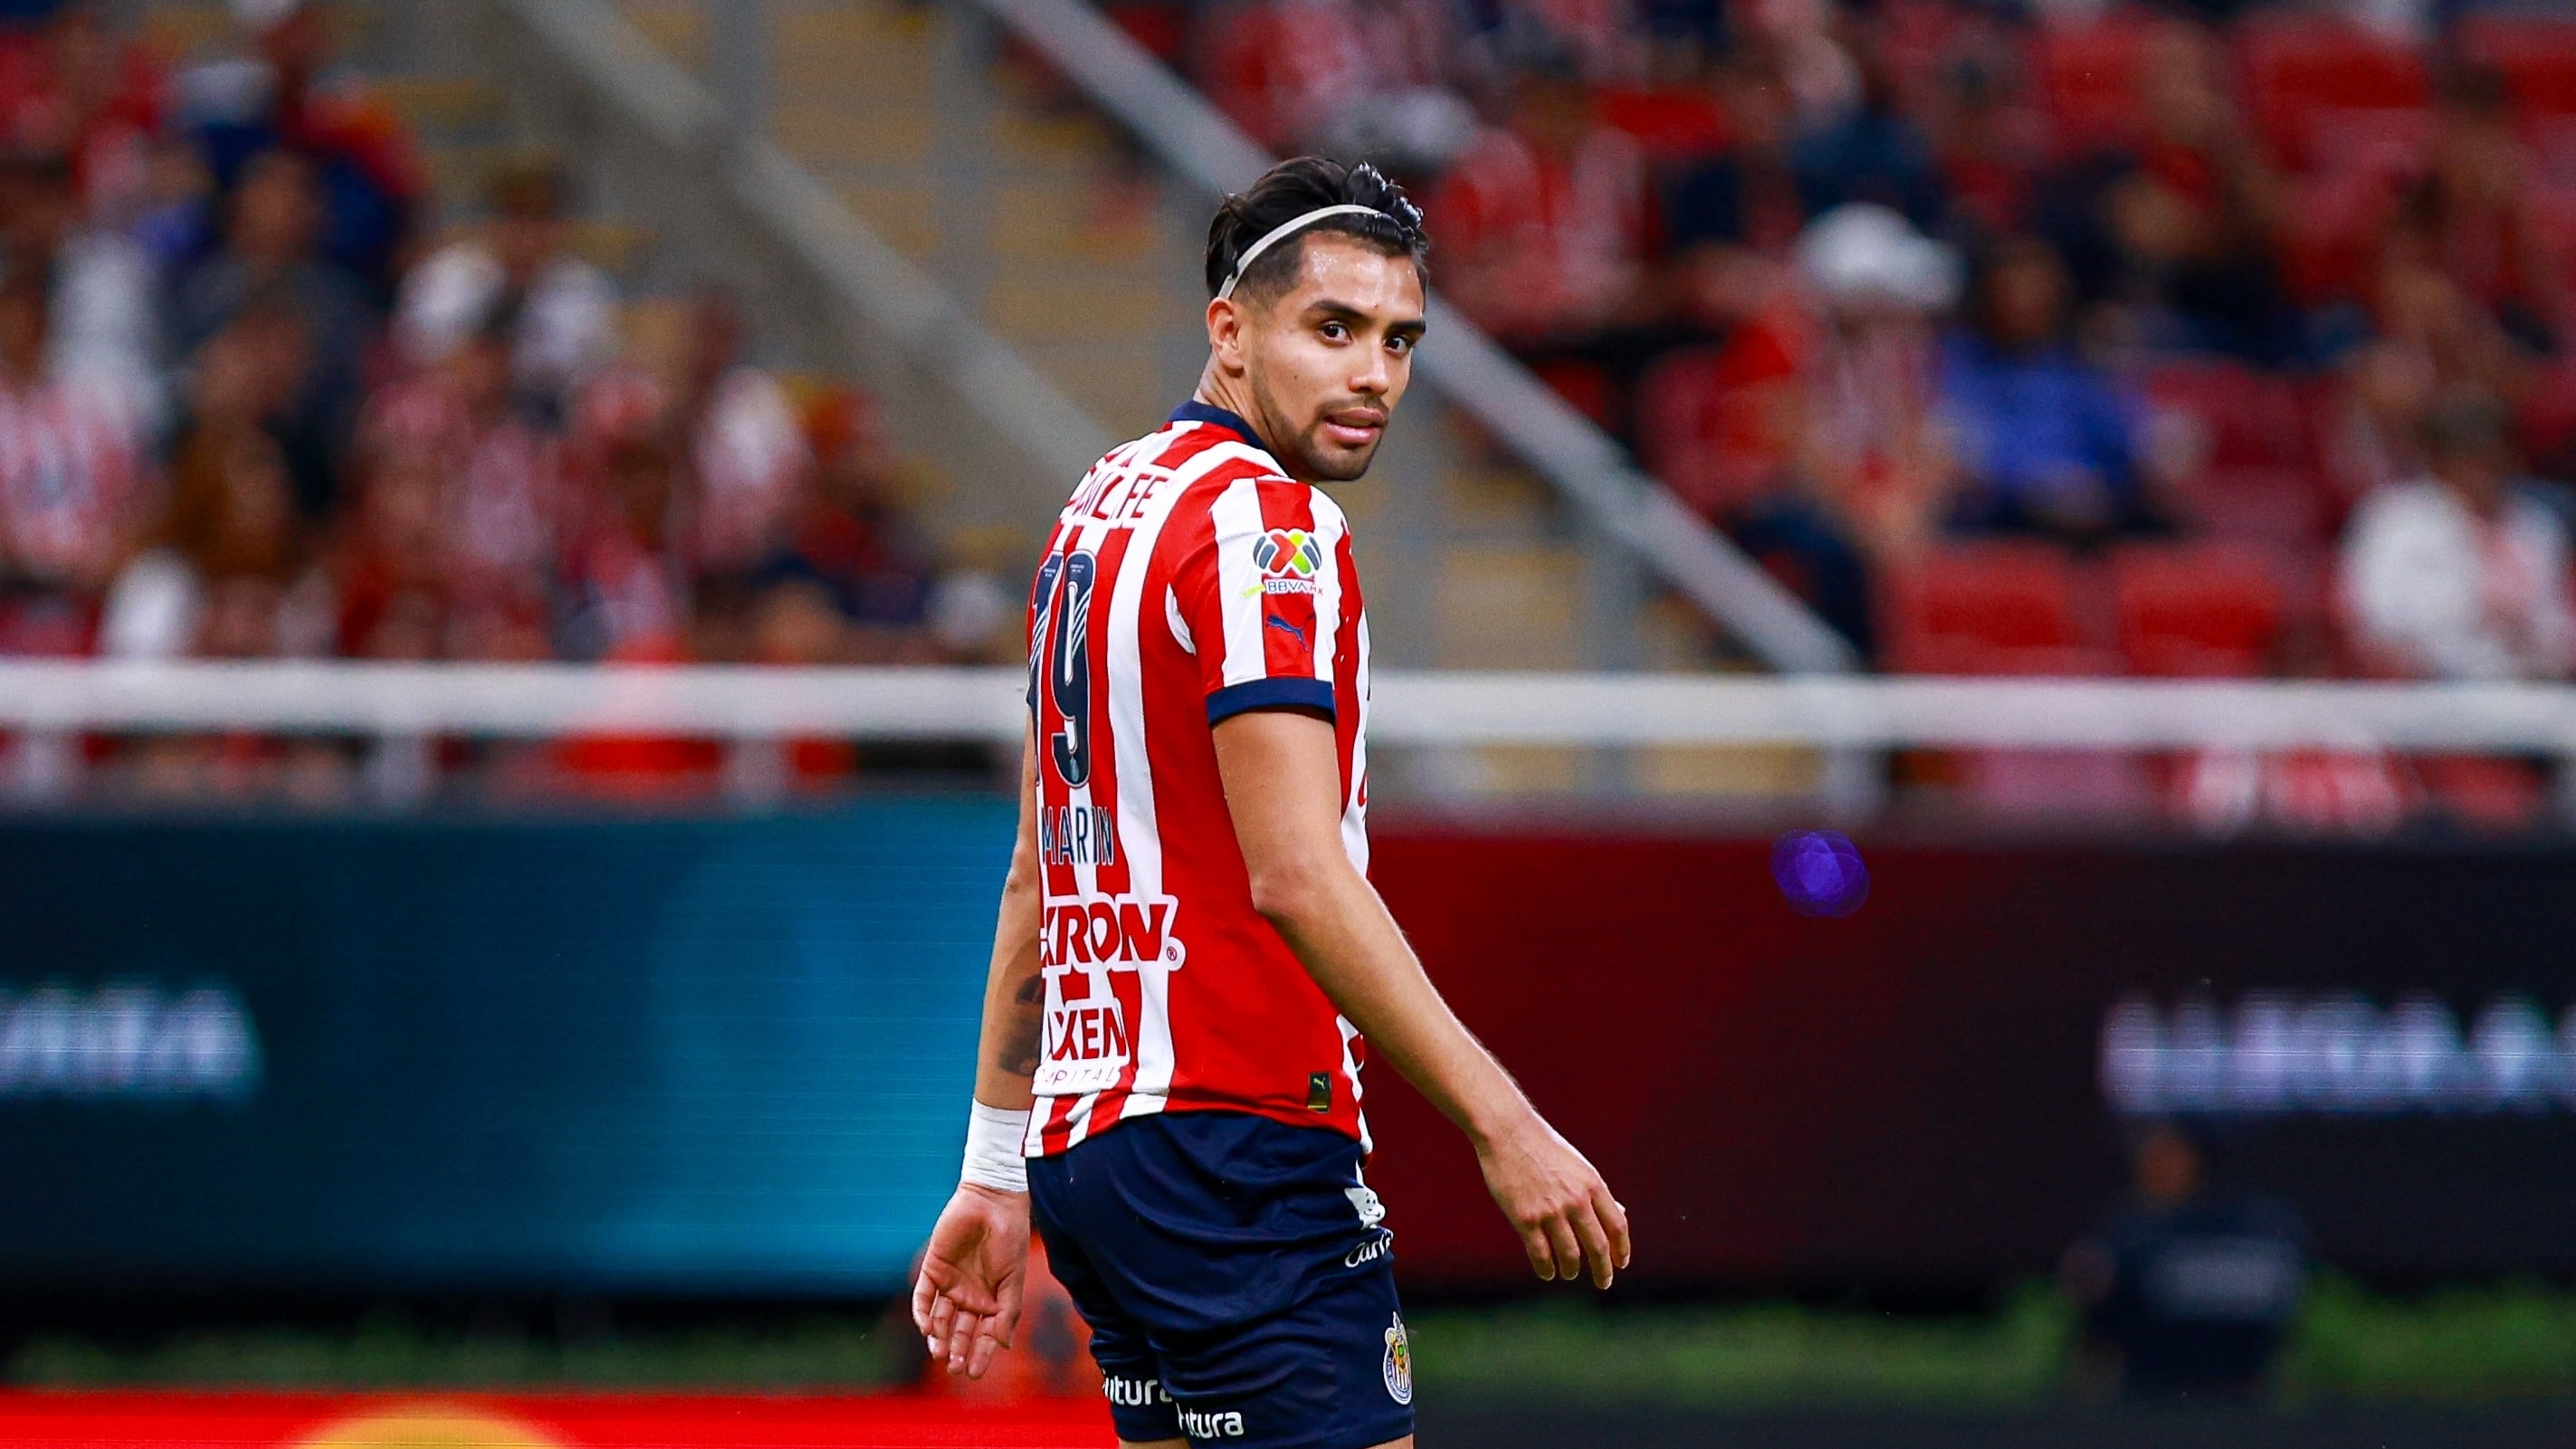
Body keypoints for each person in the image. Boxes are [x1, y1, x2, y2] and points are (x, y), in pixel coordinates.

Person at [911, 157, 1628, 1449]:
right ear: (1228, 331)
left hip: (1095, 1156)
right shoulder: (1267, 529)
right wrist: (1503, 1122)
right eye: (1333, 329)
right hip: (1233, 1143)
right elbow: (1295, 873)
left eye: (1400, 341)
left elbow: (1037, 867)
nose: (1375, 376)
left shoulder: (1099, 505)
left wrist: (994, 1165)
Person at [2341, 386, 2574, 681]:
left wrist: (2536, 634)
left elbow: (2557, 622)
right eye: (2472, 460)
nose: (2487, 472)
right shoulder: (2397, 519)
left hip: (2530, 687)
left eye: (2496, 457)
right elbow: (2376, 615)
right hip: (2432, 688)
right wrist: (2477, 607)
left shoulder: (2535, 525)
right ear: (2440, 463)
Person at [2062, 1121, 2306, 1399]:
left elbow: (2286, 1311)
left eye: (2169, 1156)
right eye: (2149, 1157)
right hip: (2151, 1399)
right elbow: (2092, 1300)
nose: (2153, 1167)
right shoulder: (2128, 1231)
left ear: (2198, 1161)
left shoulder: (2264, 1227)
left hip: (2243, 1398)